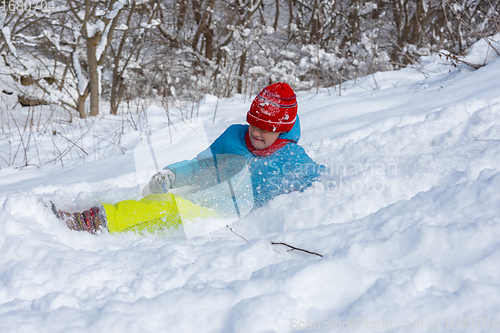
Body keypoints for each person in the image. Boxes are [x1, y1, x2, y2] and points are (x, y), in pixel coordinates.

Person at [53, 82, 324, 235]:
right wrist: (174, 175)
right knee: (155, 203)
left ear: (283, 129)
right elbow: (204, 165)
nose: (256, 133)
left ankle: (95, 220)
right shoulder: (234, 138)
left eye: (266, 129)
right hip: (207, 197)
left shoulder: (291, 158)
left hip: (229, 216)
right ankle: (113, 226)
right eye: (253, 124)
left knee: (169, 207)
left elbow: (320, 184)